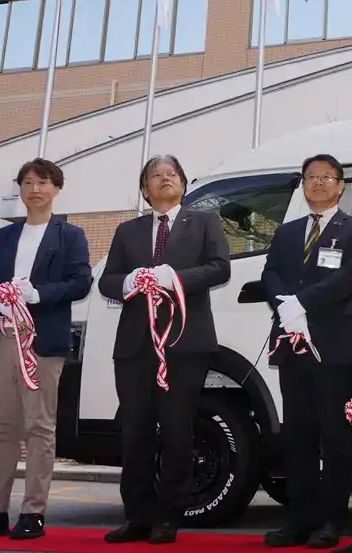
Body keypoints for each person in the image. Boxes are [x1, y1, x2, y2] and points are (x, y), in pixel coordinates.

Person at [98, 154, 232, 545]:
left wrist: (173, 279)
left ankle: (169, 517)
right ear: (145, 188)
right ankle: (136, 517)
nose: (164, 179)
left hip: (184, 343)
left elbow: (220, 268)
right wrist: (131, 282)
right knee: (135, 432)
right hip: (135, 346)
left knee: (177, 431)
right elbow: (107, 281)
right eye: (155, 175)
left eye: (171, 174)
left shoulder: (204, 222)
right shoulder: (128, 230)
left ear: (183, 184)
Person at [0, 158, 94, 541]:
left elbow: (81, 282)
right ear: (20, 188)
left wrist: (37, 294)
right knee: (3, 428)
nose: (35, 189)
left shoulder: (71, 236)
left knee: (39, 427)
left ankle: (33, 512)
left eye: (44, 182)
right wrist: (1, 302)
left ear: (56, 189)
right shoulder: (3, 237)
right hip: (1, 337)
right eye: (28, 182)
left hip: (42, 341)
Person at [260, 154, 352, 550]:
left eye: (327, 177)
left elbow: (351, 276)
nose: (319, 182)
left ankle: (330, 522)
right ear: (303, 184)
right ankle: (298, 521)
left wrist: (301, 303)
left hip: (334, 348)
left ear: (341, 185)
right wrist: (284, 305)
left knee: (335, 439)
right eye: (311, 176)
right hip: (292, 346)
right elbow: (271, 272)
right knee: (298, 438)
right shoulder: (288, 231)